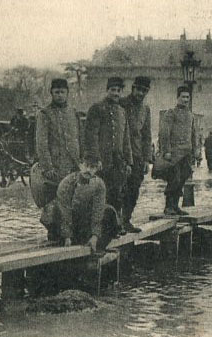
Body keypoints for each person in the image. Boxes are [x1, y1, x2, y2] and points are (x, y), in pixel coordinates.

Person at [84, 77, 138, 233]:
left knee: (117, 193)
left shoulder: (122, 112)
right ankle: (97, 228)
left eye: (118, 90)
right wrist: (95, 158)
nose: (115, 93)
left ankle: (115, 225)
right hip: (102, 160)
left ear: (121, 92)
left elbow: (126, 138)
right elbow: (91, 135)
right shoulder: (97, 108)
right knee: (100, 193)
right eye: (112, 90)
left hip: (118, 160)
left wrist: (129, 162)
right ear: (107, 90)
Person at [35, 78, 81, 235]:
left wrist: (80, 161)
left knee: (71, 200)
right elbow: (41, 143)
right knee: (54, 202)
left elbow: (78, 137)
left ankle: (69, 234)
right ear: (51, 94)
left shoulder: (73, 113)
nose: (60, 95)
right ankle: (54, 234)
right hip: (55, 166)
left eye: (62, 92)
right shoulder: (44, 114)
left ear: (67, 93)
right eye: (56, 92)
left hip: (73, 165)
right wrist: (47, 167)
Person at [54, 161, 119, 250]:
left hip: (81, 222)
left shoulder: (99, 185)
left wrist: (95, 236)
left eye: (92, 167)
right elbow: (64, 210)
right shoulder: (66, 183)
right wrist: (67, 236)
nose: (88, 170)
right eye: (86, 165)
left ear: (97, 168)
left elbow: (98, 211)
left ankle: (97, 249)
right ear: (80, 165)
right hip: (64, 223)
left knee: (110, 211)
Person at [157, 85, 197, 215]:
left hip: (186, 153)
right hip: (174, 154)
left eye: (187, 97)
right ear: (177, 98)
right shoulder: (171, 113)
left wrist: (195, 150)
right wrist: (166, 151)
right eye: (183, 97)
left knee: (183, 178)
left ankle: (175, 206)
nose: (185, 100)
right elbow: (164, 133)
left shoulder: (191, 116)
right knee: (174, 179)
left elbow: (193, 134)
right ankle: (168, 206)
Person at [120, 76, 153, 233]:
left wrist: (147, 159)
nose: (141, 93)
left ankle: (125, 220)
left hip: (138, 156)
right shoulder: (121, 105)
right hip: (121, 155)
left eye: (144, 91)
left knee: (134, 190)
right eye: (138, 89)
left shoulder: (145, 109)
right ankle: (115, 222)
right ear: (133, 88)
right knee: (119, 189)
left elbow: (146, 136)